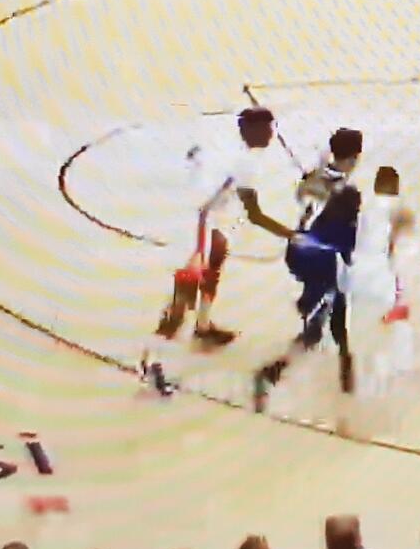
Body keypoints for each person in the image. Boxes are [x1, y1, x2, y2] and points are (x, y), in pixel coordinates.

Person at [153, 106, 294, 356]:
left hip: (205, 218)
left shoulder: (229, 149)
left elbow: (198, 161)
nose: (271, 134)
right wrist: (291, 235)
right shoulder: (246, 164)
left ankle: (202, 326)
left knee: (209, 273)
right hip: (202, 223)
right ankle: (154, 356)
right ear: (251, 130)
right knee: (186, 292)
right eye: (267, 128)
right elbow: (255, 214)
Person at [254, 129, 366, 407]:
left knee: (334, 310)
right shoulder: (347, 193)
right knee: (325, 318)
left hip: (298, 252)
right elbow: (347, 239)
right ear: (354, 158)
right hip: (321, 258)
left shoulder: (315, 179)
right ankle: (272, 372)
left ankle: (344, 363)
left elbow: (304, 196)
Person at [347, 165, 418, 396]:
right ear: (397, 188)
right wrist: (403, 296)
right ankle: (385, 386)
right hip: (382, 280)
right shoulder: (402, 213)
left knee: (363, 339)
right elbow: (404, 256)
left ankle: (359, 385)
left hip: (356, 279)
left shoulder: (360, 210)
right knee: (390, 339)